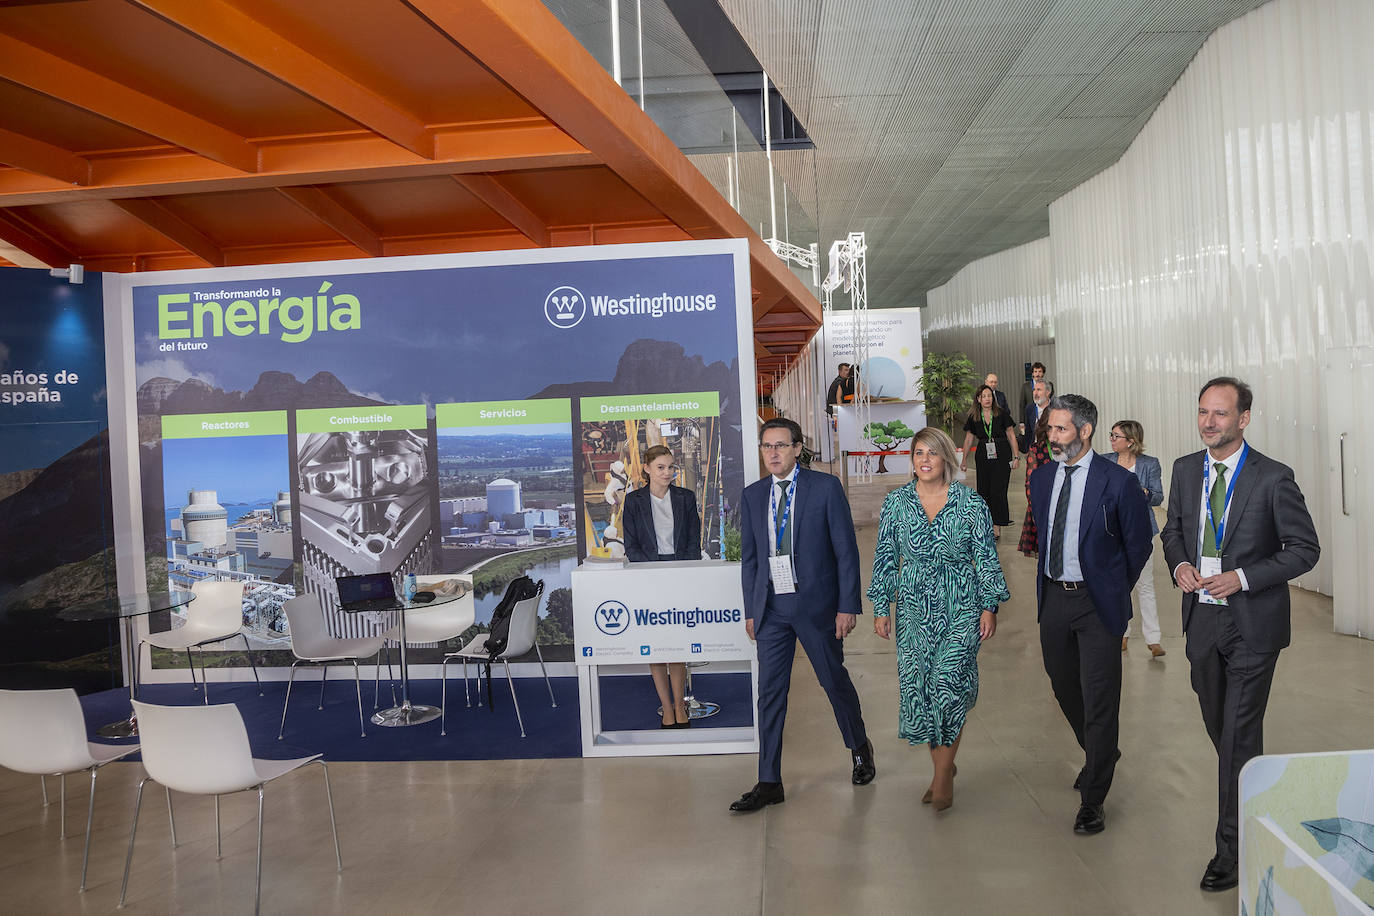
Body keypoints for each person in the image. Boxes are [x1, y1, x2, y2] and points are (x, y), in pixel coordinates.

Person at [1160, 377, 1319, 893]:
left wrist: (1244, 578)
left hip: (1252, 623)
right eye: (1203, 412)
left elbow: (1303, 549)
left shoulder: (1273, 478)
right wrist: (1181, 563)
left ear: (1243, 418)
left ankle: (1230, 850)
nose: (1209, 422)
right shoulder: (1185, 471)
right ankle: (1252, 793)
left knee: (1237, 734)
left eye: (1220, 414)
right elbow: (1174, 530)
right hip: (1202, 620)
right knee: (1220, 729)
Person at [731, 417, 874, 812]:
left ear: (797, 448)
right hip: (771, 609)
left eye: (780, 445)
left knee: (833, 681)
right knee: (769, 694)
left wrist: (848, 605)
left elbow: (846, 551)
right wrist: (750, 610)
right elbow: (751, 560)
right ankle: (768, 780)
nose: (773, 453)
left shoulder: (825, 488)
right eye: (766, 446)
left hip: (817, 607)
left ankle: (859, 747)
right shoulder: (753, 495)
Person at [1029, 394, 1152, 836]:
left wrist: (1114, 588)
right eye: (1049, 429)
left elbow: (1139, 545)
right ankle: (1102, 752)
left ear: (1085, 431)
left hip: (1097, 603)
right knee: (1064, 686)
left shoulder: (1117, 482)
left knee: (1100, 696)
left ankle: (1094, 798)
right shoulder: (1042, 479)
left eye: (1060, 429)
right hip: (1054, 600)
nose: (1051, 437)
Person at [868, 427, 1008, 812]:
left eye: (932, 452)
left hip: (961, 605)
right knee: (923, 692)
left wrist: (989, 605)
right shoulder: (896, 504)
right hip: (913, 610)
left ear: (947, 458)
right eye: (917, 453)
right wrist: (882, 606)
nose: (924, 459)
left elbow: (985, 558)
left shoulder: (970, 504)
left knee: (948, 684)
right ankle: (944, 767)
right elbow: (884, 558)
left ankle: (942, 776)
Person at [621, 444, 703, 728]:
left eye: (671, 467)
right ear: (646, 469)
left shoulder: (685, 497)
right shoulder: (633, 502)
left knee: (676, 644)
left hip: (681, 575)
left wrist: (682, 571)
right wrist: (655, 572)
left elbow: (694, 540)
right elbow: (631, 546)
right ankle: (666, 708)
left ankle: (680, 707)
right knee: (656, 645)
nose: (667, 472)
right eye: (661, 467)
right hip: (649, 578)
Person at [1105, 420, 1165, 657]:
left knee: (1145, 584)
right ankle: (1122, 632)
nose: (1111, 439)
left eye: (1116, 436)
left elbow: (1158, 497)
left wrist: (1143, 492)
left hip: (1140, 532)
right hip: (1111, 531)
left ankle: (1153, 639)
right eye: (1111, 434)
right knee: (1117, 585)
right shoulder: (1105, 461)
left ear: (1130, 441)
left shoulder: (1149, 464)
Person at [959, 384, 1021, 539]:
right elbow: (968, 439)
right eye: (984, 396)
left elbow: (1011, 435)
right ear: (978, 399)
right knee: (984, 491)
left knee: (998, 491)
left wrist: (1016, 456)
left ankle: (996, 526)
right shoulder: (974, 417)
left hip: (1001, 452)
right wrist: (964, 459)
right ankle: (986, 524)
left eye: (989, 396)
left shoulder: (1001, 413)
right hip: (983, 454)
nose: (987, 399)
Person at [1018, 404, 1052, 558]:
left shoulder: (1070, 450)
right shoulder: (1037, 449)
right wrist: (1036, 510)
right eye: (1052, 427)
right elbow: (1030, 483)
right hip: (1043, 508)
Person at [1020, 378, 1053, 452]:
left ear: (1047, 392)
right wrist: (1027, 451)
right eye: (1034, 390)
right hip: (1035, 449)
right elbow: (1028, 432)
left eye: (1039, 390)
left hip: (1052, 449)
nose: (1035, 393)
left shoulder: (1055, 408)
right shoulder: (1030, 408)